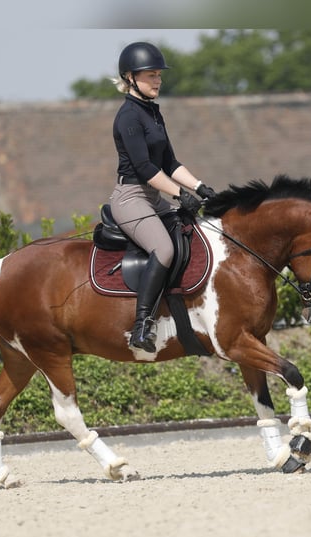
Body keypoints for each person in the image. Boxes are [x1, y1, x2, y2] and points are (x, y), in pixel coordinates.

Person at [111, 41, 216, 353]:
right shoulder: (128, 116)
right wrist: (179, 194)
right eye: (151, 75)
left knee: (194, 231)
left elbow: (169, 162)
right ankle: (142, 325)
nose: (158, 80)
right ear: (130, 78)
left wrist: (200, 187)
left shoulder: (153, 113)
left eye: (159, 75)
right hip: (130, 198)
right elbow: (144, 167)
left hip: (154, 195)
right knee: (165, 248)